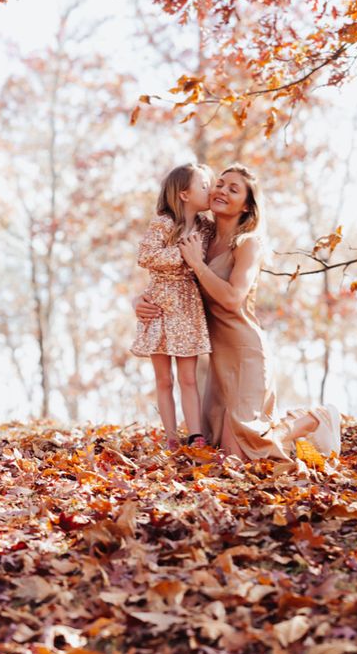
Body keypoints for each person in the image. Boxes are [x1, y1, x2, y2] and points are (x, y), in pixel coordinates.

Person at [136, 163, 340, 465]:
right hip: (217, 356)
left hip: (245, 352)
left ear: (246, 206)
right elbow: (171, 279)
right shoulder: (201, 235)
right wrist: (138, 300)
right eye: (219, 184)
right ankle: (283, 430)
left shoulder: (248, 244)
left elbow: (232, 299)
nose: (220, 191)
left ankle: (315, 418)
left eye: (234, 189)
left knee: (242, 452)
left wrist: (198, 265)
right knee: (218, 447)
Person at [131, 163, 214, 450]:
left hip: (188, 306)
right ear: (184, 194)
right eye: (203, 185)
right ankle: (170, 436)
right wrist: (182, 253)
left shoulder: (206, 228)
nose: (210, 189)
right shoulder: (163, 223)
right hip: (161, 305)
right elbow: (145, 256)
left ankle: (195, 434)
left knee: (188, 377)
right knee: (164, 378)